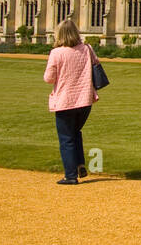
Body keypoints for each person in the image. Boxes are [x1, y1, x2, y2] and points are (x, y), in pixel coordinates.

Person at [42, 18, 100, 185]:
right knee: (75, 132)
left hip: (65, 101)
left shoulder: (56, 53)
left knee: (66, 138)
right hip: (85, 101)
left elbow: (49, 78)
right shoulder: (87, 49)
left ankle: (70, 175)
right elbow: (96, 66)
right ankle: (80, 164)